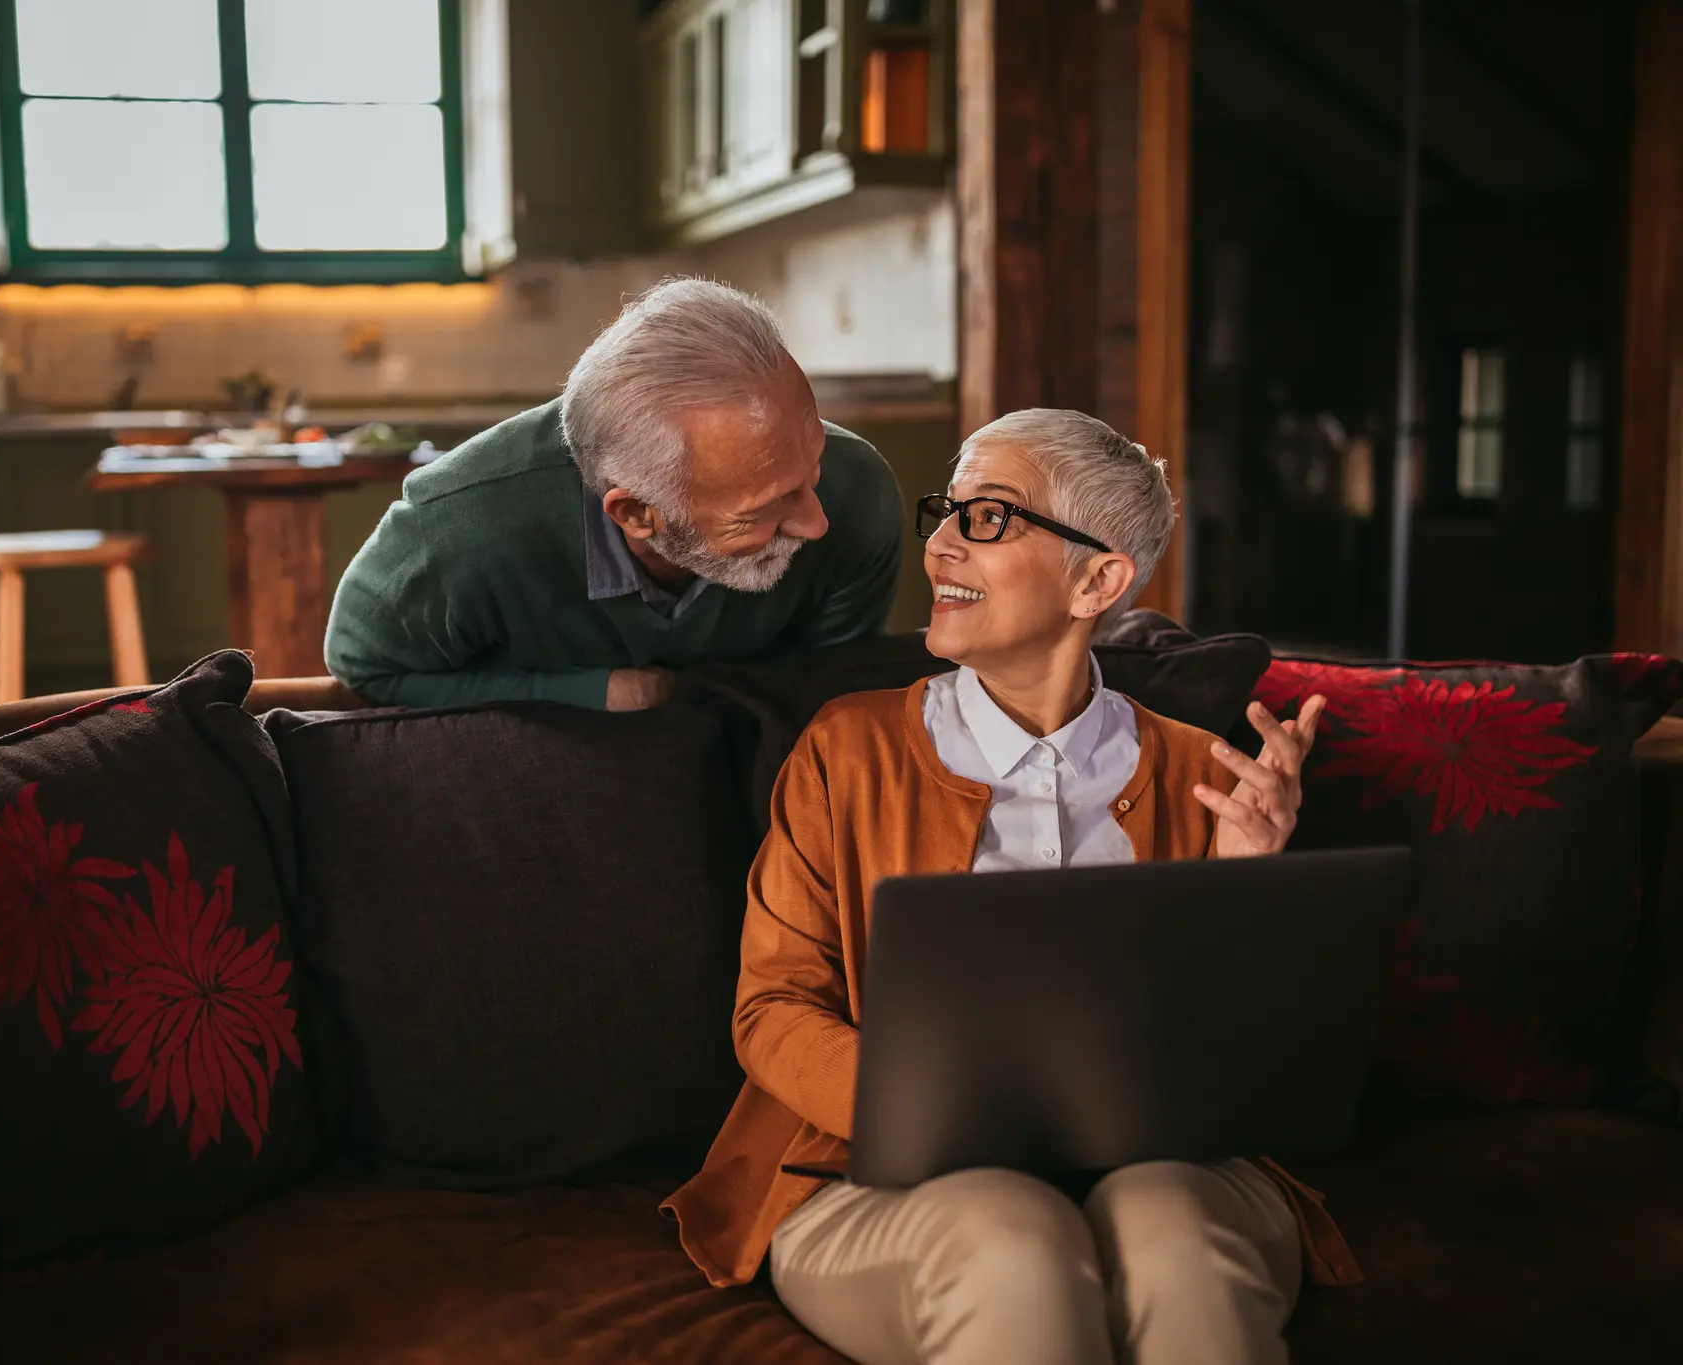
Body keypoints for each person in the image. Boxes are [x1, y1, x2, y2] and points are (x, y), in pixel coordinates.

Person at [662, 408, 1358, 1365]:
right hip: (874, 1177)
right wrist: (943, 1117)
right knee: (1014, 1241)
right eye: (947, 511)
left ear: (1098, 581)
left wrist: (1249, 879)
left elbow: (1252, 1063)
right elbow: (772, 1010)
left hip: (1164, 1168)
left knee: (1174, 1238)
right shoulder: (846, 750)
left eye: (987, 517)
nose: (941, 543)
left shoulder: (1209, 776)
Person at [323, 278, 904, 711]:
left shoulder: (859, 493)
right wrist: (587, 693)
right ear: (636, 513)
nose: (817, 523)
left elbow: (828, 693)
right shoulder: (457, 527)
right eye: (767, 506)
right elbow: (365, 667)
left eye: (813, 470)